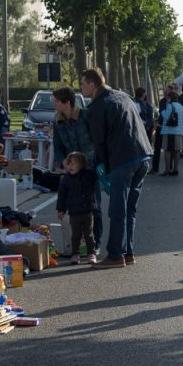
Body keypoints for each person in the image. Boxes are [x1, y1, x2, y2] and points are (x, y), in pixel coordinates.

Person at [81, 68, 153, 269]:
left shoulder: (96, 107)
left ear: (92, 84)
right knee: (130, 209)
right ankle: (128, 252)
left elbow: (100, 143)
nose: (81, 88)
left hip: (122, 160)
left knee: (117, 210)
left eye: (83, 84)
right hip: (143, 155)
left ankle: (115, 255)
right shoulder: (123, 96)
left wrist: (104, 168)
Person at [52, 87, 103, 253]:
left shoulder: (86, 115)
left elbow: (98, 139)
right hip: (71, 171)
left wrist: (98, 162)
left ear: (67, 103)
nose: (54, 104)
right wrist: (63, 162)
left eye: (57, 101)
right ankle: (76, 247)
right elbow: (57, 147)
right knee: (73, 209)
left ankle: (95, 245)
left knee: (93, 207)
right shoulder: (57, 121)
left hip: (90, 168)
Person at [56, 151, 98, 265]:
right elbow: (62, 195)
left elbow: (96, 174)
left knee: (88, 234)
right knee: (75, 235)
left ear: (81, 165)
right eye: (69, 164)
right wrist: (61, 209)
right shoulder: (66, 179)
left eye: (73, 164)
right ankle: (75, 254)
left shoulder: (88, 175)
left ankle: (91, 253)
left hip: (87, 211)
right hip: (74, 212)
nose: (70, 166)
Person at [159, 90, 183, 176]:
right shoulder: (180, 106)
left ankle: (167, 170)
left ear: (169, 97)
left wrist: (162, 111)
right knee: (177, 150)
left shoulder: (170, 105)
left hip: (169, 131)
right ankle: (176, 169)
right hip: (179, 131)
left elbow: (166, 117)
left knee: (167, 150)